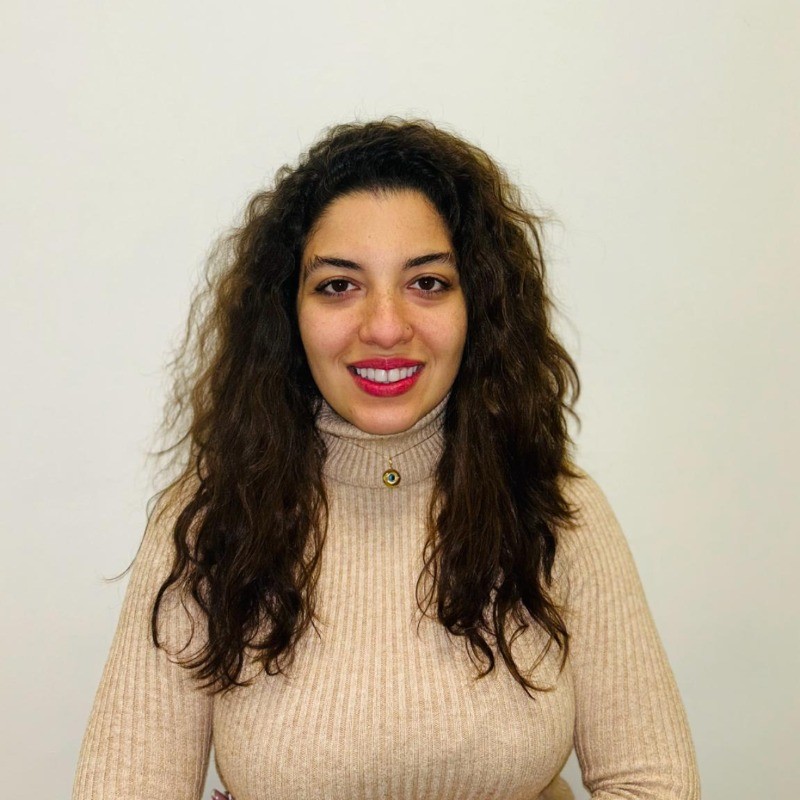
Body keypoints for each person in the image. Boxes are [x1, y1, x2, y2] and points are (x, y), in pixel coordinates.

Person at [72, 118, 700, 800]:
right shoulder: (210, 520)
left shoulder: (557, 511)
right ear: (288, 313)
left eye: (427, 282)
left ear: (478, 306)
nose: (385, 327)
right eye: (338, 286)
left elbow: (654, 783)